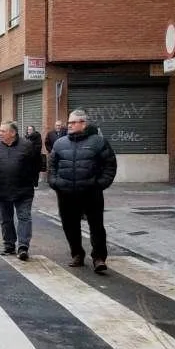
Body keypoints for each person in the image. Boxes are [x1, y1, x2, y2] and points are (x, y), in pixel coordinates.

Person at [48, 109, 118, 274]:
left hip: (91, 193)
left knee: (96, 226)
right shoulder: (60, 143)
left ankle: (99, 257)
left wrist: (99, 184)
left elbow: (110, 165)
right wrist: (55, 183)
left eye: (73, 122)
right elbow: (52, 166)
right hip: (66, 193)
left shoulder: (98, 142)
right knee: (70, 225)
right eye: (69, 122)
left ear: (83, 124)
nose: (69, 125)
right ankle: (77, 254)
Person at [0, 121, 40, 260]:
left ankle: (23, 247)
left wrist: (33, 182)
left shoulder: (27, 146)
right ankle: (9, 244)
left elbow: (36, 164)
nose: (0, 133)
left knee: (24, 217)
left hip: (24, 190)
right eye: (0, 131)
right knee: (5, 218)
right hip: (1, 189)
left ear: (13, 133)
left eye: (3, 131)